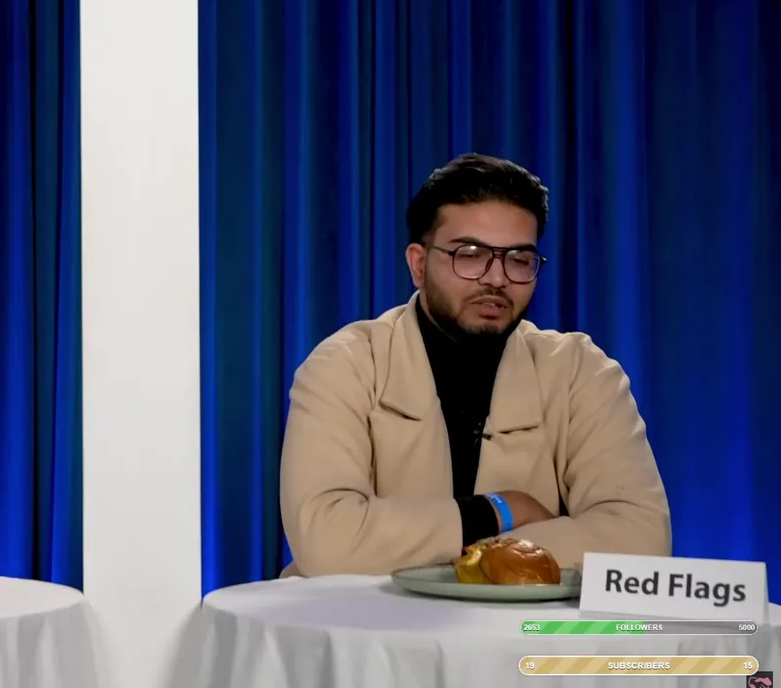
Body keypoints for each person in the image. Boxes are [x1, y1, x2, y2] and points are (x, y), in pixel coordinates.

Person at [279, 153, 671, 577]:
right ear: (418, 265)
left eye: (519, 259)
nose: (497, 278)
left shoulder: (581, 372)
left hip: (518, 620)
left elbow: (641, 541)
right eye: (469, 254)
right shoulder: (345, 365)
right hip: (359, 619)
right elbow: (327, 543)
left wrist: (465, 555)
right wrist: (502, 509)